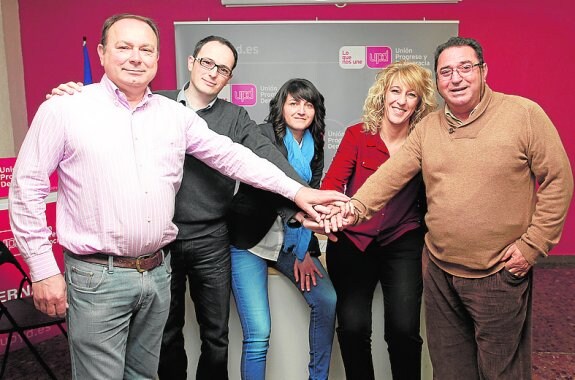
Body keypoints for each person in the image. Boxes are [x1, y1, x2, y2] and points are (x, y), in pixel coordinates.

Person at [9, 14, 347, 380]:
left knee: (148, 372)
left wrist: (299, 191)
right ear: (103, 53)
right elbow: (27, 187)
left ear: (157, 59)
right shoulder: (66, 108)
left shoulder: (174, 116)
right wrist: (42, 268)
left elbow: (237, 157)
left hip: (156, 269)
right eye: (124, 47)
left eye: (146, 49)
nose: (136, 57)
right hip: (97, 276)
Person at [341, 37, 573, 379]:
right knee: (449, 371)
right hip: (440, 275)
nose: (456, 78)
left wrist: (533, 245)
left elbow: (559, 180)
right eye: (446, 71)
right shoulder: (427, 128)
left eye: (466, 68)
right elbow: (390, 175)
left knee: (501, 371)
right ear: (438, 81)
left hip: (499, 272)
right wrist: (355, 208)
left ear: (483, 71)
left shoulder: (523, 115)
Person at [320, 61, 436, 379]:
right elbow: (332, 184)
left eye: (410, 94)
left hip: (403, 241)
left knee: (403, 330)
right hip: (353, 242)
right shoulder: (357, 135)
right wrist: (331, 213)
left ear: (419, 102)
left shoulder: (424, 143)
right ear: (383, 95)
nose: (401, 100)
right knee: (354, 328)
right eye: (395, 91)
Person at [227, 78, 337, 380]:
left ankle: (318, 377)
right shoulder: (262, 136)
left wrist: (302, 251)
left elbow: (311, 194)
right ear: (281, 106)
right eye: (294, 102)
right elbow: (275, 191)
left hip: (291, 242)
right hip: (249, 240)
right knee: (259, 333)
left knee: (327, 301)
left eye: (308, 104)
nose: (301, 109)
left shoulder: (315, 146)